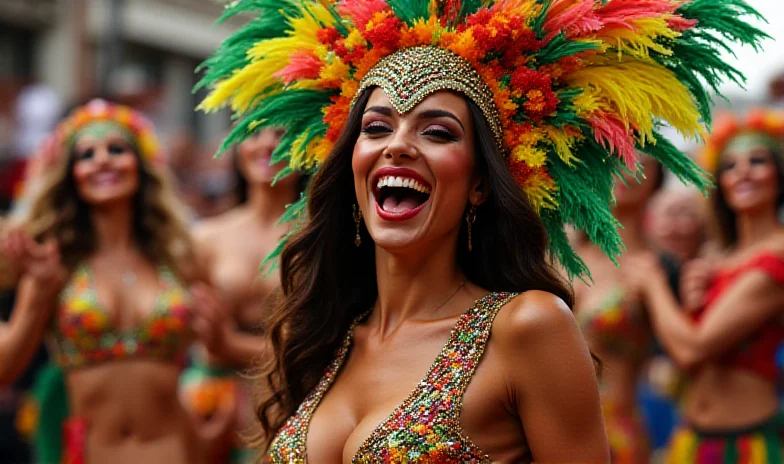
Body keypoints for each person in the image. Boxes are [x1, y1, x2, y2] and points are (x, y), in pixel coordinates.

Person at [197, 0, 764, 461]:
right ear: (352, 164)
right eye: (376, 127)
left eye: (438, 132)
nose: (398, 144)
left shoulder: (527, 327)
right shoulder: (321, 333)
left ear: (480, 186)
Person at [0, 99, 229, 464]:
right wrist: (39, 295)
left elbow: (214, 352)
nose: (103, 160)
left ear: (140, 164)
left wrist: (212, 426)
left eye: (117, 149)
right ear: (70, 174)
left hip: (173, 453)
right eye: (87, 155)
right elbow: (5, 370)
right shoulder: (55, 263)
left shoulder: (178, 257)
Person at [628, 109, 784, 462]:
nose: (742, 172)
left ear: (780, 174)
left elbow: (692, 350)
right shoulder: (721, 257)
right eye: (729, 166)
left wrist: (654, 286)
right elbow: (690, 362)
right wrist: (692, 305)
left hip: (747, 445)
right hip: (691, 438)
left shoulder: (778, 257)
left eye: (757, 161)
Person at [180, 127, 302, 463]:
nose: (267, 143)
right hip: (208, 406)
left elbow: (311, 348)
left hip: (284, 407)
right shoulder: (206, 237)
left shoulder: (317, 241)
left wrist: (228, 344)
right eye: (254, 132)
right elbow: (188, 331)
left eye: (282, 133)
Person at [573, 155, 664, 463]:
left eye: (643, 163)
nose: (628, 167)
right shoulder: (556, 254)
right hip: (537, 430)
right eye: (616, 158)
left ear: (657, 180)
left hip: (613, 436)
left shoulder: (659, 268)